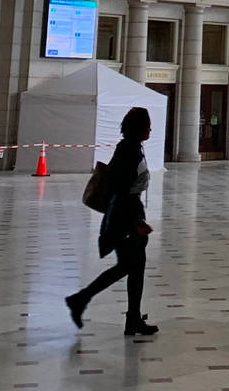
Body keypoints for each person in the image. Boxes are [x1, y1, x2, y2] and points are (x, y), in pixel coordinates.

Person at [67, 107, 159, 338]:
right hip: (125, 218)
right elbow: (121, 189)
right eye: (147, 124)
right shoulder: (128, 150)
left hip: (128, 214)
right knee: (129, 267)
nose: (150, 128)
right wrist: (136, 221)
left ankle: (132, 319)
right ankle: (81, 299)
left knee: (134, 268)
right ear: (138, 127)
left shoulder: (133, 147)